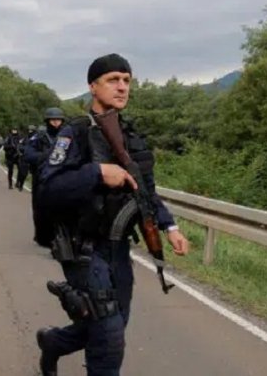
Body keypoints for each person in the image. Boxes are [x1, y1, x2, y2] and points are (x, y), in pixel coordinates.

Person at [34, 54, 191, 376]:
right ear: (93, 86)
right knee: (108, 332)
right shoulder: (73, 135)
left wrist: (169, 226)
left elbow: (146, 191)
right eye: (112, 80)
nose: (122, 87)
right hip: (82, 247)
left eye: (127, 80)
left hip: (118, 247)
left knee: (112, 323)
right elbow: (47, 187)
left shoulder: (131, 138)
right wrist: (96, 173)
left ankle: (54, 343)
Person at [24, 107, 65, 247]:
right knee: (40, 207)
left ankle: (61, 236)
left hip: (61, 175)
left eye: (58, 120)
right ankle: (42, 235)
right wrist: (44, 157)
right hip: (41, 176)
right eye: (53, 120)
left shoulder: (66, 137)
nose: (56, 123)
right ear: (48, 121)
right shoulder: (39, 137)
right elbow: (28, 154)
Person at [16, 124, 37, 191]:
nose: (30, 131)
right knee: (23, 173)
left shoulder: (37, 139)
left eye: (32, 130)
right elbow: (19, 146)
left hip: (33, 159)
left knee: (34, 174)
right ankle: (20, 184)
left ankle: (33, 187)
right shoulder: (25, 138)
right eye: (29, 130)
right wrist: (21, 152)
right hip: (24, 157)